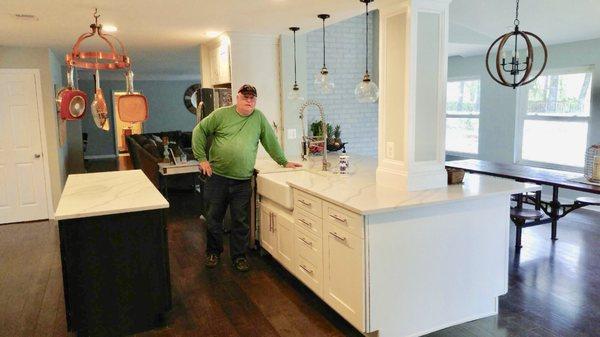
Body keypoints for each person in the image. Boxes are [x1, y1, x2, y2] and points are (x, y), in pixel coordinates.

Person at [192, 84, 302, 272]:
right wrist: (202, 159)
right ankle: (213, 252)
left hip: (242, 181)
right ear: (238, 98)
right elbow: (199, 131)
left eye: (252, 98)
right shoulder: (221, 114)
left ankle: (239, 257)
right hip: (217, 177)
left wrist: (284, 162)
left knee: (240, 222)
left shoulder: (258, 118)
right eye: (245, 97)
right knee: (213, 219)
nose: (249, 101)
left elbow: (270, 141)